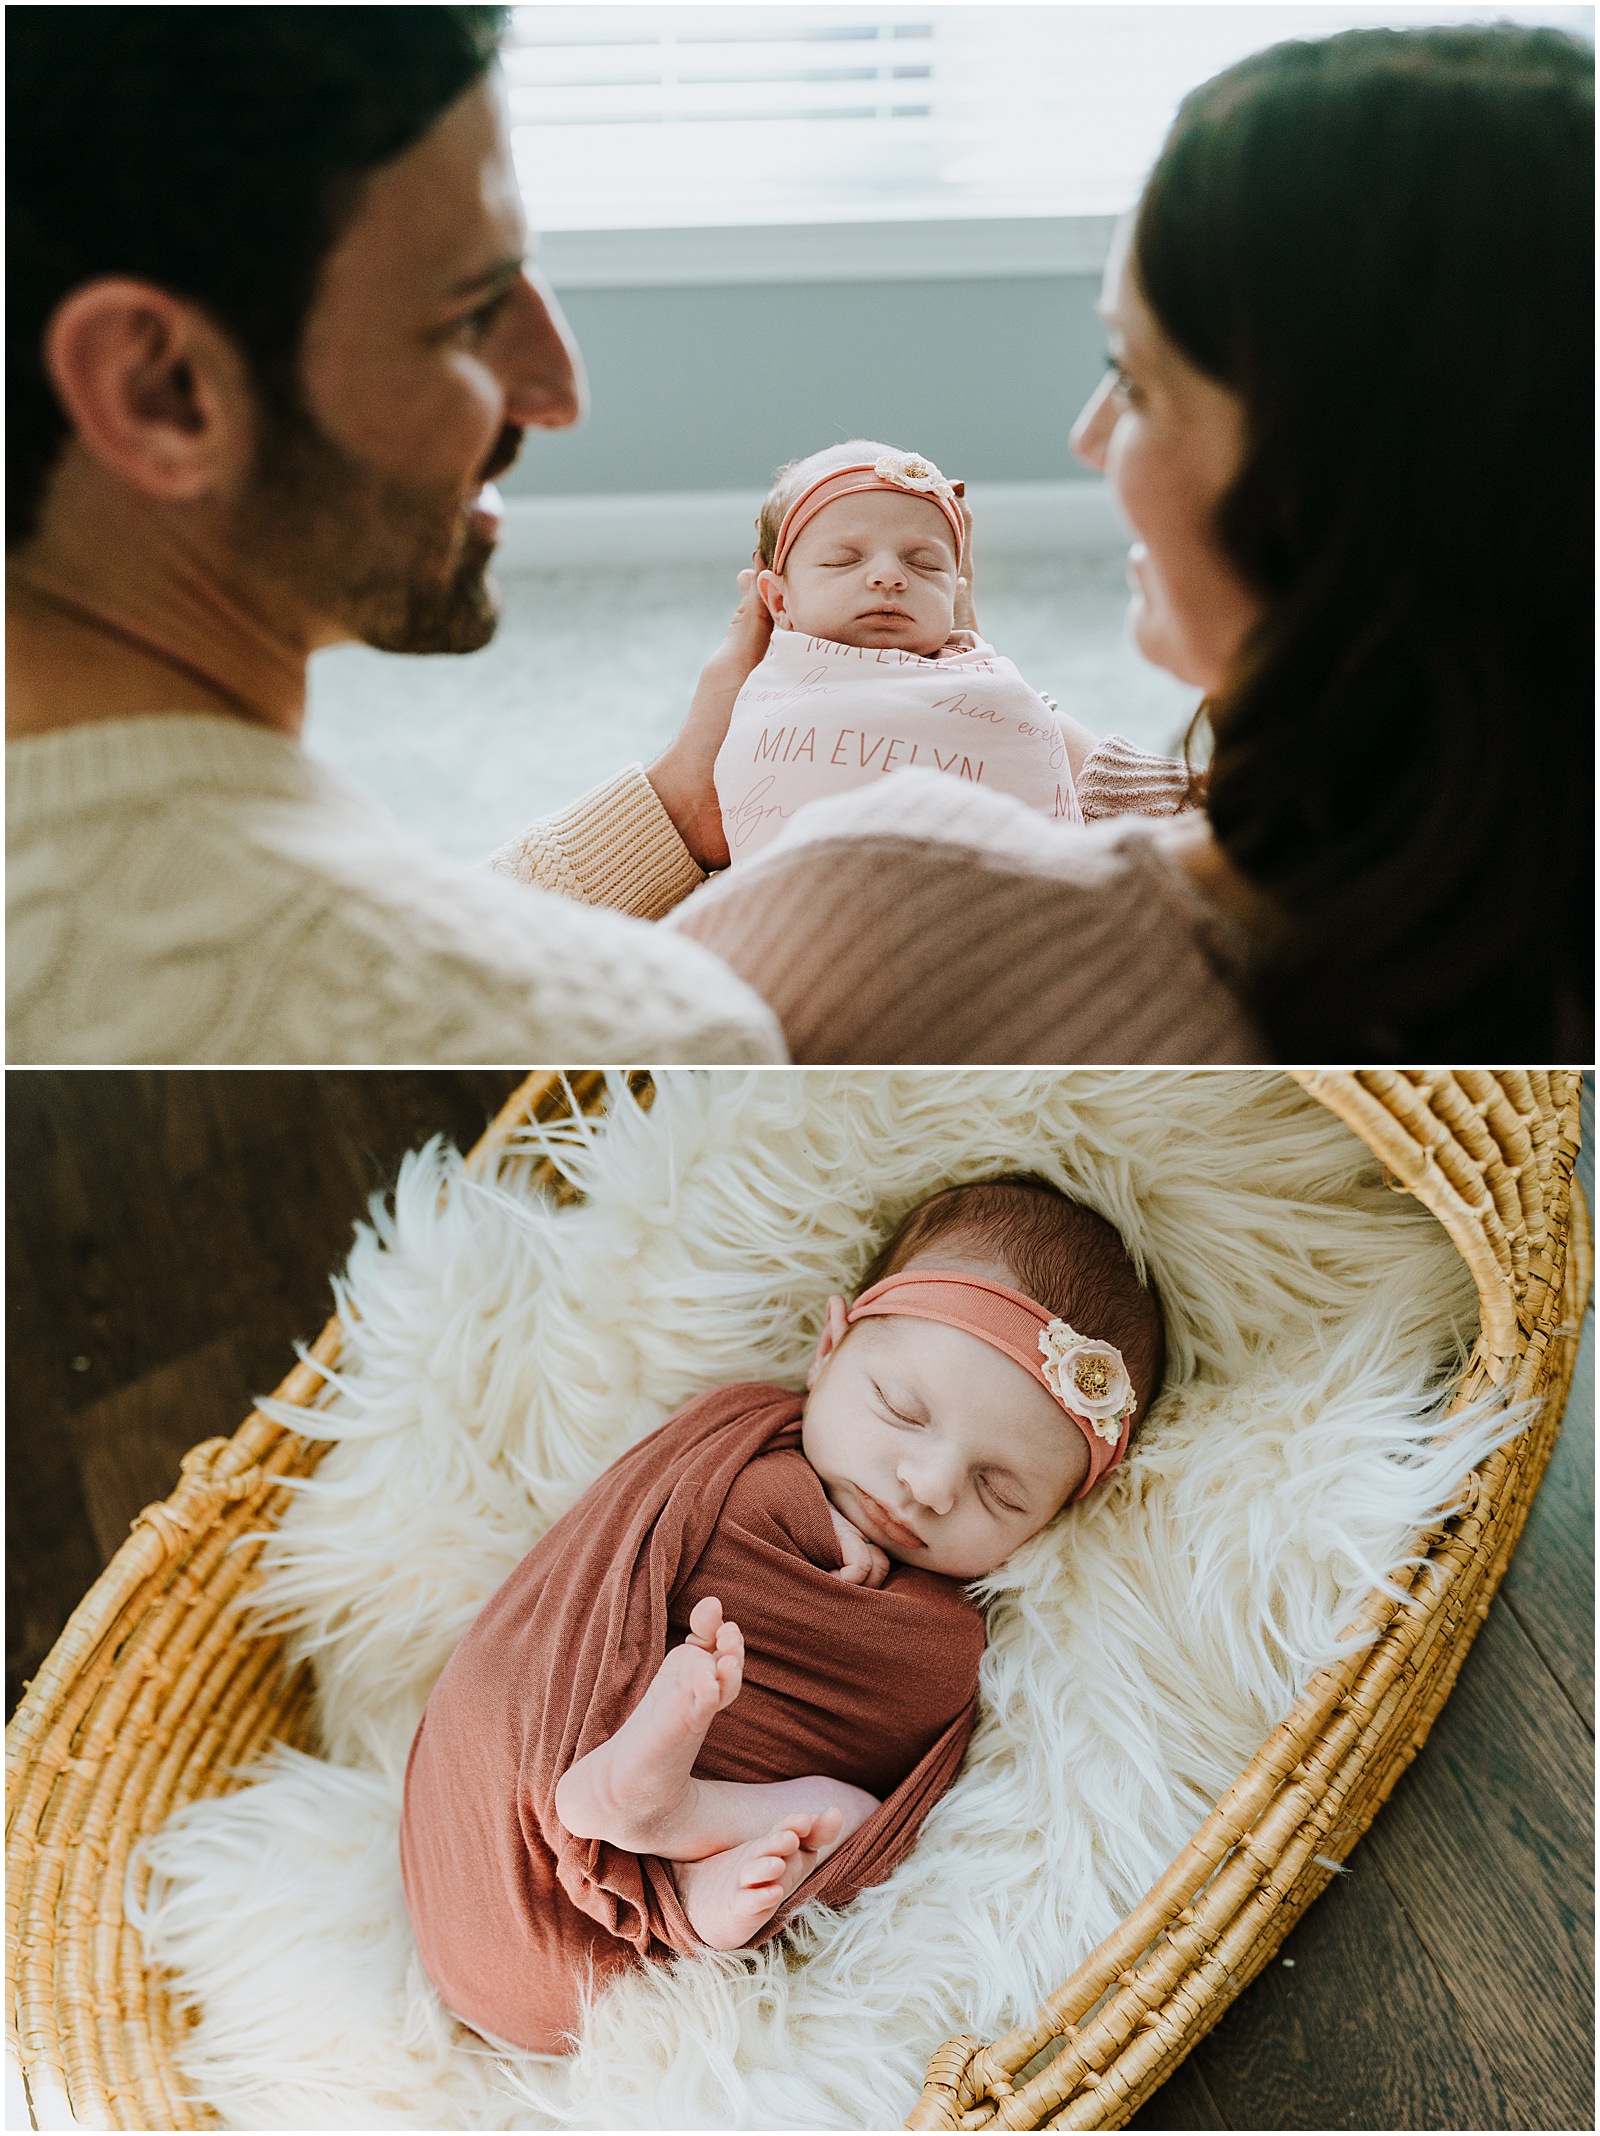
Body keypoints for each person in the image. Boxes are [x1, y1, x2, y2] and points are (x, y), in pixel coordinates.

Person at [666, 24, 1594, 1062]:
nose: (1090, 435)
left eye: (1135, 378)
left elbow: (495, 1021)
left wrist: (664, 810)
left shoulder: (890, 897)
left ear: (1331, 479)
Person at [5, 6, 780, 1064]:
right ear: (161, 391)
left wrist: (667, 818)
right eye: (470, 312)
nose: (558, 391)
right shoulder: (663, 1055)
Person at [399, 1176, 1165, 2052]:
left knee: (863, 1809)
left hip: (594, 1981)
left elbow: (909, 1816)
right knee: (755, 1514)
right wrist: (802, 1518)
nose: (930, 1486)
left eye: (1001, 1492)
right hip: (507, 1816)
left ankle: (684, 1839)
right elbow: (609, 1562)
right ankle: (651, 1797)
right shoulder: (737, 1445)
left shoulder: (955, 1634)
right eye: (901, 1410)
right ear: (827, 1349)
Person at [713, 440, 1080, 864]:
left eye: (925, 564)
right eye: (841, 560)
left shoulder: (992, 691)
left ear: (954, 597)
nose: (888, 576)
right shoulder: (761, 691)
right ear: (778, 602)